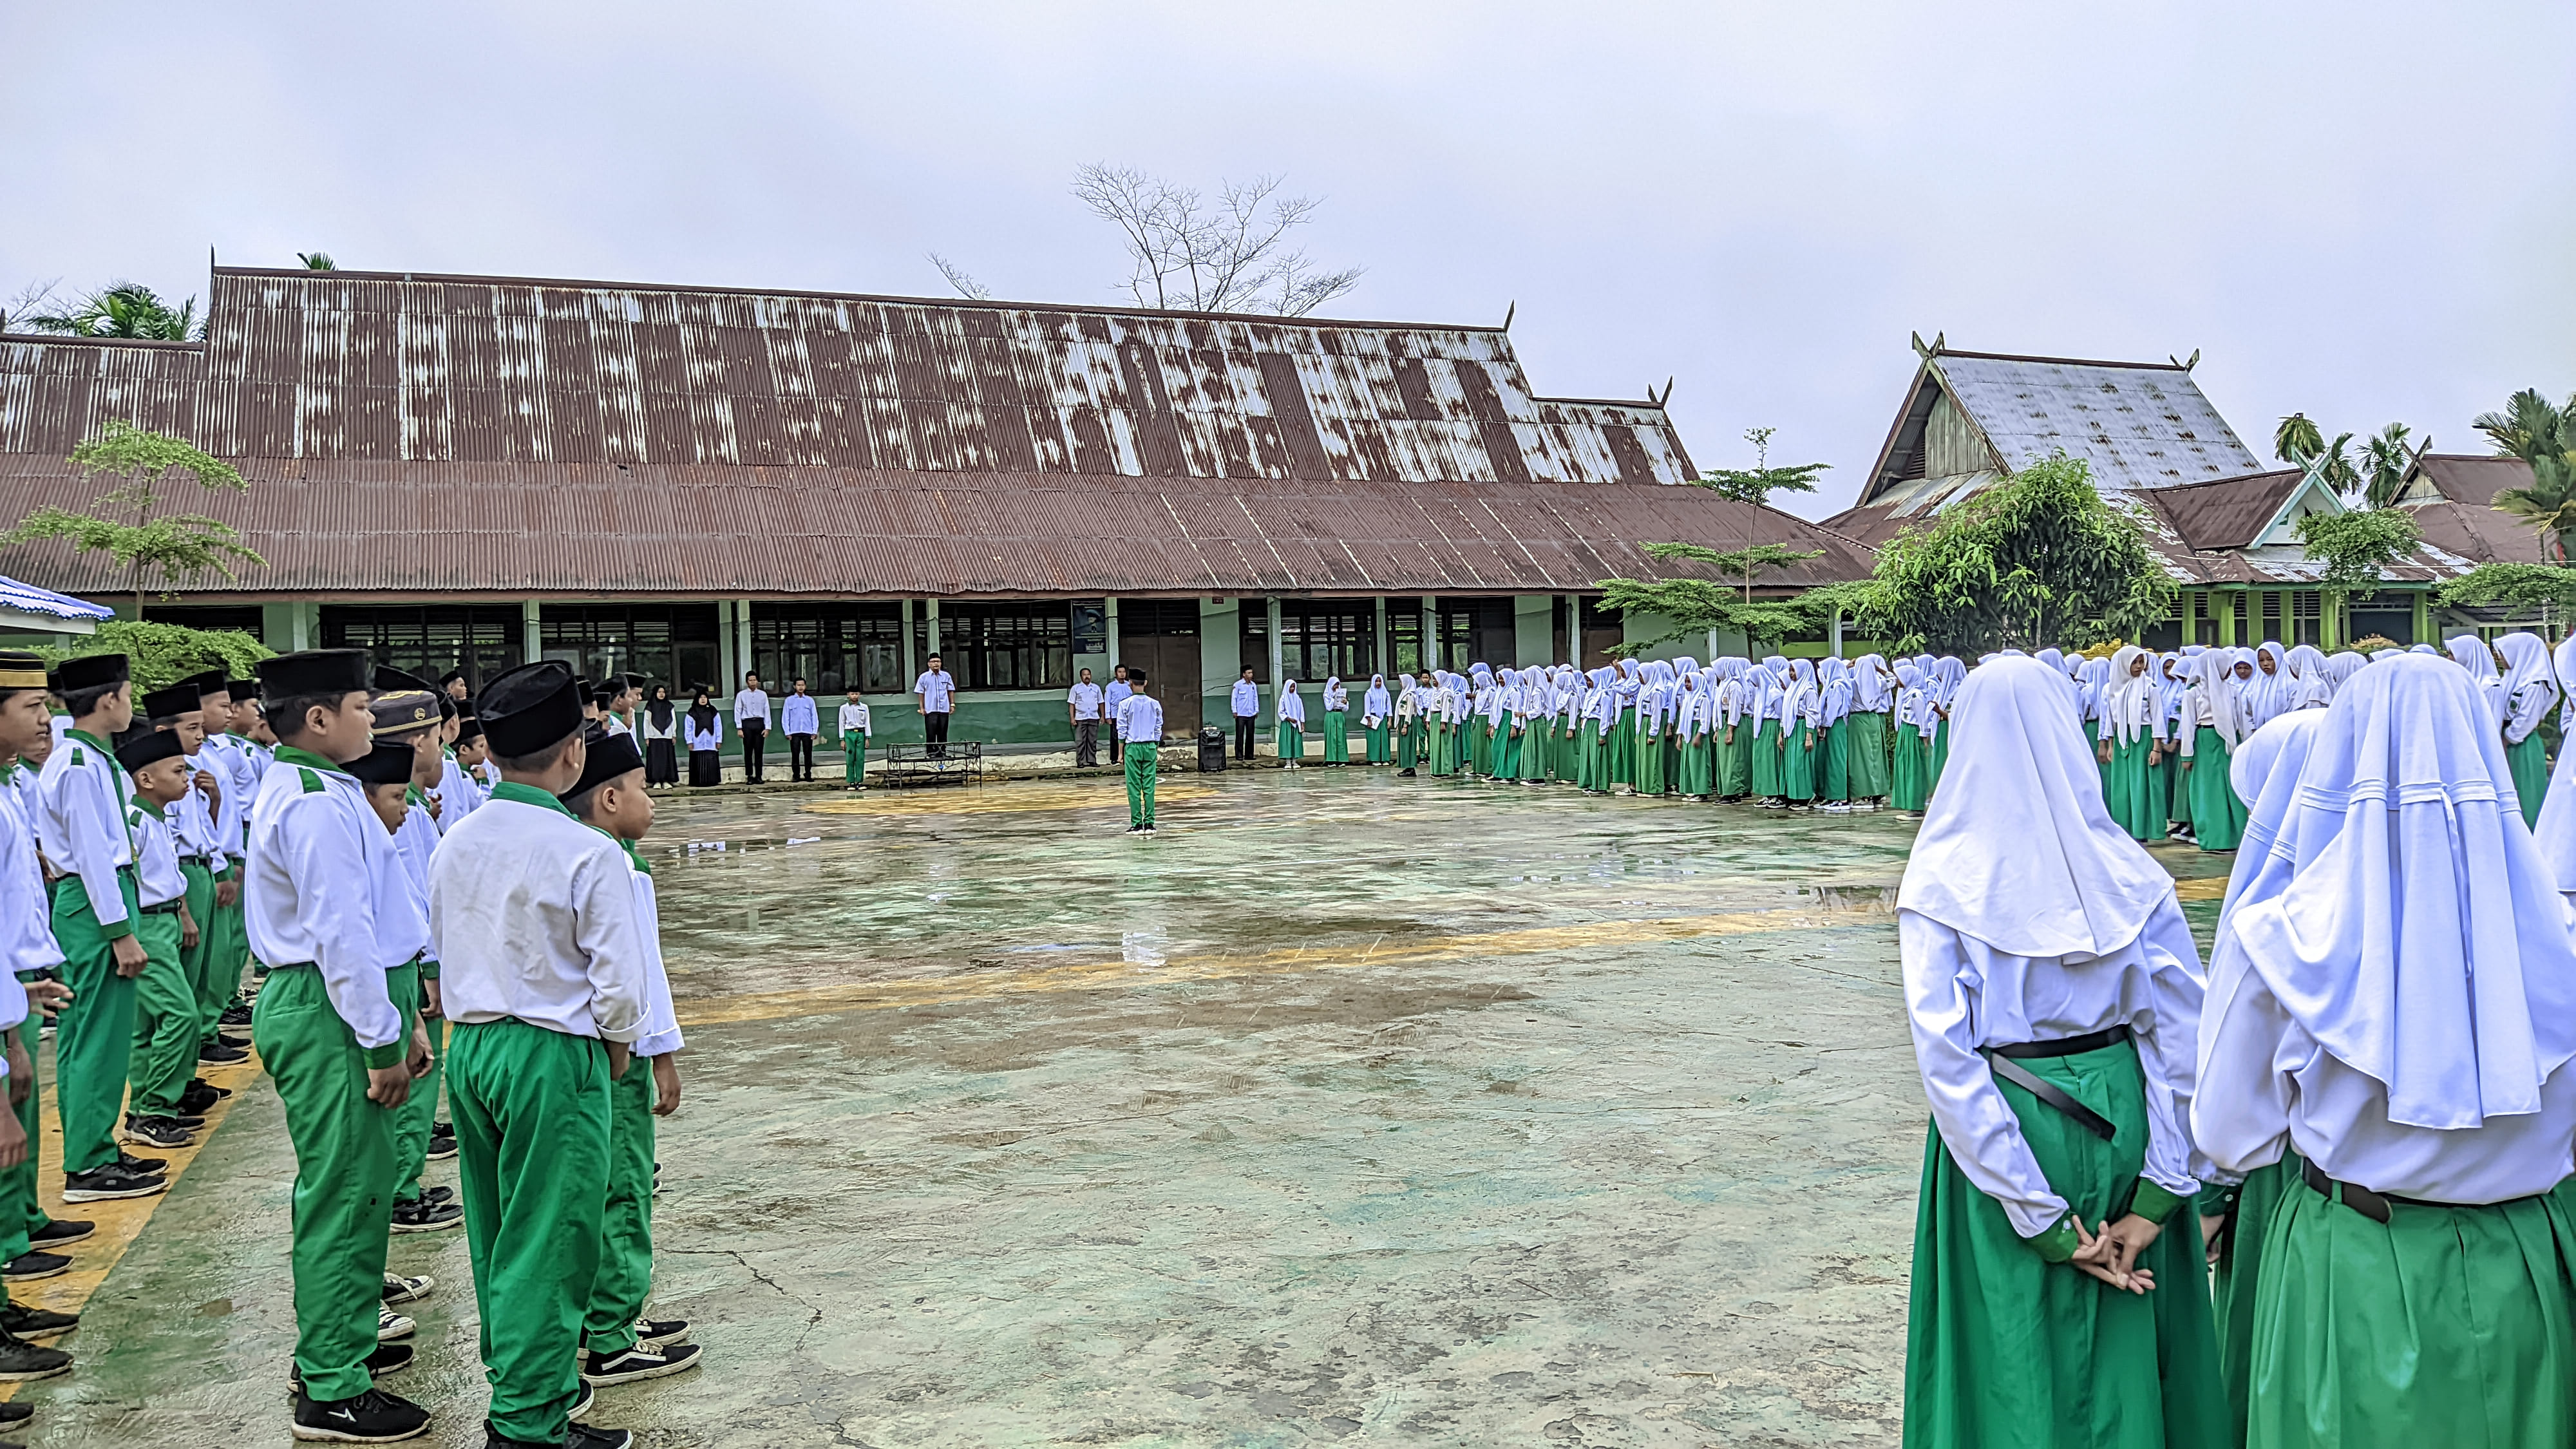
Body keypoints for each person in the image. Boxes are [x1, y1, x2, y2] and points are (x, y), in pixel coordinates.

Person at [2197, 654, 2576, 1448]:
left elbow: (2231, 1135)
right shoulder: (2560, 943)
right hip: (2532, 1266)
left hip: (2355, 1267)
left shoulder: (2286, 942)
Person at [1897, 656, 2224, 1448]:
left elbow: (1948, 1063)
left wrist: (2038, 1216)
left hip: (2008, 1118)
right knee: (2129, 1346)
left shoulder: (1941, 881)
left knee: (2013, 1352)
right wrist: (2160, 1193)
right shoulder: (2130, 875)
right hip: (2126, 1114)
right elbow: (2183, 1039)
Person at [427, 661, 647, 1449]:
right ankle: (528, 1424)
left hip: (473, 1045)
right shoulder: (587, 851)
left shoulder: (456, 837)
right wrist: (618, 1050)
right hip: (552, 1052)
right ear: (573, 756)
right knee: (551, 1240)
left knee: (497, 1231)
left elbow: (442, 943)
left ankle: (529, 1396)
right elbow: (619, 984)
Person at [248, 649, 436, 1443]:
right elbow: (341, 933)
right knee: (344, 1193)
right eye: (364, 706)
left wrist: (406, 1014)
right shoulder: (316, 804)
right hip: (331, 1007)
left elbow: (378, 921)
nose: (373, 719)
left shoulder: (322, 788)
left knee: (361, 1184)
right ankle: (330, 1384)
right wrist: (379, 1040)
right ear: (320, 718)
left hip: (354, 1000)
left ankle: (343, 1342)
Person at [559, 726, 701, 1392]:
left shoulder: (578, 851)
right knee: (622, 1186)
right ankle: (612, 1336)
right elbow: (640, 973)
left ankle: (604, 1318)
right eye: (645, 790)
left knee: (604, 1183)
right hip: (619, 1052)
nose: (653, 802)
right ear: (610, 798)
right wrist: (662, 1053)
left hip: (579, 1049)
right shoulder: (618, 864)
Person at [33, 654, 164, 1206]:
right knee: (97, 1040)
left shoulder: (87, 759)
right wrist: (120, 932)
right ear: (109, 699)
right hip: (95, 905)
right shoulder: (81, 767)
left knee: (89, 1038)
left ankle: (95, 1149)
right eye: (129, 695)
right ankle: (89, 1164)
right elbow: (91, 855)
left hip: (97, 900)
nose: (130, 705)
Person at [0, 652, 80, 1392]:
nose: (44, 720)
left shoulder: (9, 790)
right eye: (29, 705)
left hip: (14, 988)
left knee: (13, 1140)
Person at [113, 714, 203, 1154]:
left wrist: (183, 914)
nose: (186, 778)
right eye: (178, 771)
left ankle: (146, 1108)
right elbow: (126, 881)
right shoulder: (134, 821)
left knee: (149, 1023)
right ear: (145, 779)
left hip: (165, 920)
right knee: (180, 1014)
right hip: (146, 925)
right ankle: (154, 1107)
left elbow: (168, 878)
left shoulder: (158, 817)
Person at [2178, 650, 2252, 851]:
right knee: (2208, 791)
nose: (2229, 671)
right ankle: (2213, 838)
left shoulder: (2231, 690)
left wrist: (2247, 745)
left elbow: (2241, 720)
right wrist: (2187, 754)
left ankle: (2235, 838)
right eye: (2226, 666)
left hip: (2229, 743)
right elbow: (2188, 725)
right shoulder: (2193, 692)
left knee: (2231, 789)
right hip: (2206, 741)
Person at [2494, 631, 2554, 826]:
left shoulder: (2534, 684)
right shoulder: (2511, 678)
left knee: (2526, 793)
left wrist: (2507, 739)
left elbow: (2527, 721)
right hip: (2508, 741)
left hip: (2522, 743)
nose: (2500, 658)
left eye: (2503, 653)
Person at [1116, 670, 1164, 833]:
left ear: (1130, 683)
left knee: (1134, 787)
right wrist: (1154, 746)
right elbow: (1158, 728)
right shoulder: (1155, 704)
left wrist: (1120, 752)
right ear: (1145, 683)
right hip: (1150, 746)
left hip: (1132, 747)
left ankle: (1137, 824)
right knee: (1150, 786)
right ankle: (1150, 823)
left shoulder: (1125, 704)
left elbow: (1122, 730)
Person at [914, 655, 956, 759]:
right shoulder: (924, 677)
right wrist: (922, 708)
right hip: (930, 709)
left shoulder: (946, 676)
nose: (936, 663)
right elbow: (921, 693)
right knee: (931, 732)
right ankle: (930, 753)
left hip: (944, 708)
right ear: (929, 664)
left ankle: (942, 752)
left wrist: (952, 704)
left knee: (943, 731)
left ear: (941, 663)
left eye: (938, 661)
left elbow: (950, 690)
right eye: (933, 662)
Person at [731, 672, 770, 784]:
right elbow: (737, 711)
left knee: (759, 751)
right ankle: (749, 775)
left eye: (754, 680)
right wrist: (739, 727)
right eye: (750, 680)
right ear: (747, 682)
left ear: (757, 681)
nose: (753, 682)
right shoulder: (741, 695)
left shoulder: (763, 695)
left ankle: (759, 775)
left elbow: (767, 711)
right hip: (747, 724)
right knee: (748, 751)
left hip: (759, 723)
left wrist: (767, 728)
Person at [637, 686, 679, 788]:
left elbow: (673, 721)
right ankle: (656, 781)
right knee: (655, 760)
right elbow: (646, 722)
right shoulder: (650, 706)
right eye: (659, 692)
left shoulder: (669, 706)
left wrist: (674, 734)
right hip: (654, 737)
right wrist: (647, 737)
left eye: (663, 692)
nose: (661, 694)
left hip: (667, 737)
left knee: (666, 760)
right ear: (655, 693)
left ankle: (666, 781)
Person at [781, 678, 819, 783]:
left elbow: (814, 717)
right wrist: (787, 732)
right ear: (794, 687)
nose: (801, 687)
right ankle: (796, 775)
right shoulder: (789, 700)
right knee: (795, 754)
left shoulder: (810, 701)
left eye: (802, 685)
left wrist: (814, 731)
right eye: (798, 685)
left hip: (807, 731)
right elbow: (785, 717)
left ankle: (808, 774)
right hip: (794, 731)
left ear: (805, 686)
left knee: (808, 754)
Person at [1066, 668, 1104, 770]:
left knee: (1092, 741)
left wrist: (1103, 716)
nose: (1087, 676)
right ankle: (1081, 761)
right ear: (1081, 676)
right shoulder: (1076, 688)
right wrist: (1072, 718)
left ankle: (1092, 760)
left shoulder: (1096, 688)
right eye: (1084, 675)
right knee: (1080, 741)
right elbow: (1072, 704)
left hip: (1093, 717)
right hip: (1080, 718)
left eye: (1088, 674)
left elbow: (1101, 702)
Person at [837, 689, 871, 790]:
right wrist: (842, 739)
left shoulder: (864, 707)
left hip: (861, 733)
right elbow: (841, 723)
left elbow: (867, 722)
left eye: (856, 694)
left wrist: (867, 738)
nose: (855, 696)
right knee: (850, 758)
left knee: (860, 758)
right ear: (848, 695)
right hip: (849, 734)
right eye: (852, 694)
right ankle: (851, 782)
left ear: (859, 694)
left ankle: (859, 782)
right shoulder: (844, 708)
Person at [1274, 677, 1307, 769]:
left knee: (1295, 743)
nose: (1292, 689)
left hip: (1296, 724)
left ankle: (1295, 762)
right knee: (1287, 742)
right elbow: (1281, 712)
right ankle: (1288, 762)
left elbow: (1301, 712)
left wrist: (1302, 724)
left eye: (1294, 687)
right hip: (1287, 724)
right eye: (1291, 687)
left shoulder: (1297, 698)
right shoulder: (1283, 698)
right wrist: (1289, 719)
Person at [1362, 674, 1392, 765]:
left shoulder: (1386, 693)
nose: (1378, 683)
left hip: (1383, 718)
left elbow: (1389, 707)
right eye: (1376, 681)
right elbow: (1367, 708)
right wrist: (1369, 720)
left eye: (1380, 681)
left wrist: (1390, 720)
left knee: (1384, 739)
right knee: (1374, 740)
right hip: (1373, 718)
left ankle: (1385, 759)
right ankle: (1375, 759)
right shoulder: (1369, 693)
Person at [1230, 667, 1259, 762]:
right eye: (1249, 673)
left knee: (1250, 735)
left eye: (1252, 673)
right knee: (1240, 735)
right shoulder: (1238, 685)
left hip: (1251, 714)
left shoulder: (1253, 685)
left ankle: (1249, 755)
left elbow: (1255, 699)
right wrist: (1235, 711)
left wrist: (1256, 710)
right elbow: (1234, 698)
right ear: (1244, 674)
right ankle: (1239, 755)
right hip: (1241, 714)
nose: (1251, 675)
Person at [1320, 676, 1349, 766]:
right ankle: (1331, 760)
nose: (1336, 686)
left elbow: (1346, 709)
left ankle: (1341, 759)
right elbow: (1328, 707)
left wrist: (1345, 703)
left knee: (1340, 737)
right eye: (1335, 684)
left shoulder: (1341, 694)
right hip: (1331, 716)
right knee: (1332, 737)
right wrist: (1334, 699)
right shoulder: (1327, 695)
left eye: (1338, 684)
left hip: (1339, 716)